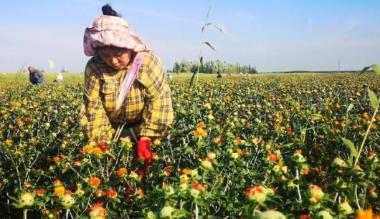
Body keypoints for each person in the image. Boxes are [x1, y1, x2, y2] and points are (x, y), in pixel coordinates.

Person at [80, 4, 174, 165]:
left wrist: (147, 138)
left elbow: (159, 101)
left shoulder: (148, 63)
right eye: (105, 55)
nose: (113, 61)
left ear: (129, 46)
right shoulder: (95, 67)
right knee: (112, 171)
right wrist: (101, 141)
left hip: (143, 128)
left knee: (150, 168)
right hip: (112, 131)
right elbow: (93, 108)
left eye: (118, 54)